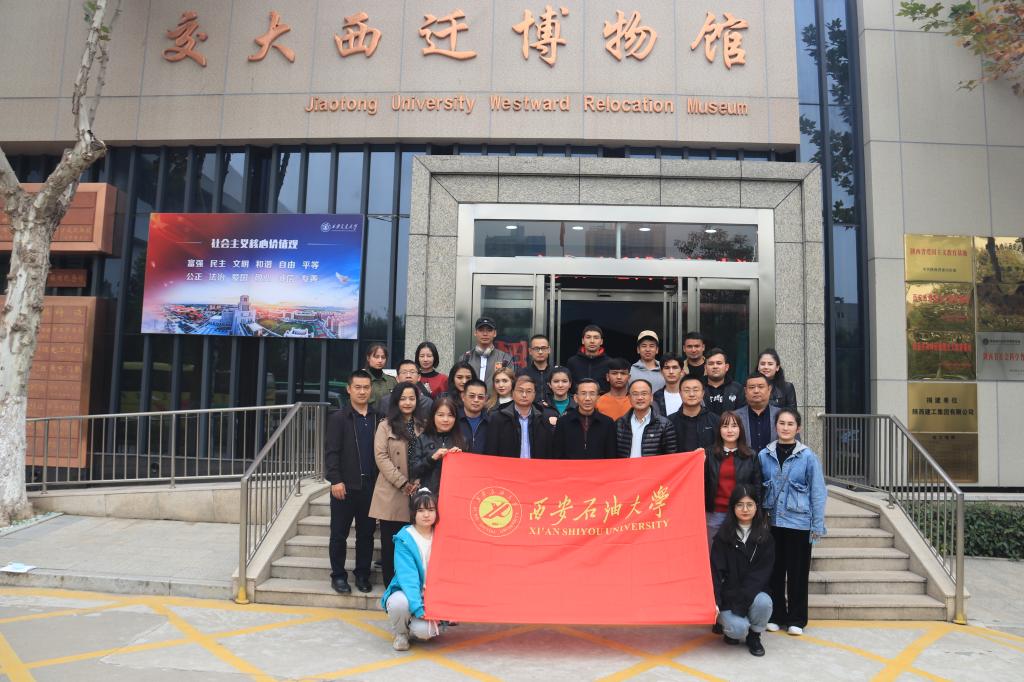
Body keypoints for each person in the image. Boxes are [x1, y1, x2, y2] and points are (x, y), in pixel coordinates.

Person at [758, 408, 827, 637]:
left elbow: (818, 492)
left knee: (798, 574)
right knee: (774, 572)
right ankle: (776, 615)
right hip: (773, 523)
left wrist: (817, 526)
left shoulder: (808, 457)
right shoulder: (764, 455)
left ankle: (797, 619)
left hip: (799, 524)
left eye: (790, 424)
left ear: (798, 428)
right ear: (775, 426)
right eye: (782, 423)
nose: (785, 427)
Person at [324, 370, 382, 595]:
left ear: (371, 390)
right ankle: (338, 576)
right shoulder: (339, 418)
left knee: (366, 535)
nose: (362, 391)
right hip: (344, 487)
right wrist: (335, 480)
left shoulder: (378, 418)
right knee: (339, 534)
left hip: (370, 487)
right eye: (357, 387)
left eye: (366, 387)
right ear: (349, 389)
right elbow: (331, 452)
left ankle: (362, 575)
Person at [369, 382, 424, 586]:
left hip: (417, 492)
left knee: (413, 546)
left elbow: (427, 454)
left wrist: (417, 481)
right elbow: (381, 457)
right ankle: (391, 588)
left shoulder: (423, 425)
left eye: (411, 398)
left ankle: (410, 586)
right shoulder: (385, 425)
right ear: (395, 401)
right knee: (390, 545)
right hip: (391, 492)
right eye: (403, 398)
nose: (407, 402)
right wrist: (402, 483)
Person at [710, 484, 775, 657]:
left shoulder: (765, 538)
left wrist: (741, 602)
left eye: (749, 504)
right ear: (733, 507)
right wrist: (715, 602)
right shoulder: (723, 537)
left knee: (764, 602)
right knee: (737, 629)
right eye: (740, 505)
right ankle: (729, 628)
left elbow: (761, 576)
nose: (745, 509)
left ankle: (754, 636)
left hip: (752, 594)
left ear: (756, 507)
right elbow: (715, 572)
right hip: (728, 597)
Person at [381, 488, 445, 651]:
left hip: (431, 594)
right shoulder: (405, 538)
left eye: (431, 510)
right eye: (421, 510)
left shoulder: (442, 535)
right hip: (406, 591)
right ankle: (401, 633)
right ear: (413, 513)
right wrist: (417, 607)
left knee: (425, 632)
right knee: (398, 603)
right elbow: (408, 577)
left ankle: (415, 623)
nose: (426, 515)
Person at [705, 411, 762, 546]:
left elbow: (757, 486)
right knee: (714, 552)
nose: (730, 430)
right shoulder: (709, 454)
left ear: (740, 429)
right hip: (715, 513)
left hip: (742, 512)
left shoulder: (751, 455)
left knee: (740, 552)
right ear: (719, 430)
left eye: (734, 426)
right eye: (725, 426)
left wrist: (757, 512)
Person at [484, 375, 553, 458]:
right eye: (520, 391)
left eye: (529, 391)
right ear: (512, 392)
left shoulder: (544, 418)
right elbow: (491, 450)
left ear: (534, 394)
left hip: (536, 465)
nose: (524, 395)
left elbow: (549, 451)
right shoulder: (498, 418)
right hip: (507, 465)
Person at [409, 396, 465, 497]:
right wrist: (431, 458)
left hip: (454, 495)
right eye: (440, 415)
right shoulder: (422, 439)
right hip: (428, 496)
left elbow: (469, 474)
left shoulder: (463, 440)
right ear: (433, 416)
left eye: (450, 415)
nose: (445, 419)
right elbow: (413, 470)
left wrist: (460, 459)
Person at [551, 378, 616, 460]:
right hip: (570, 467)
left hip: (599, 467)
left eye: (592, 394)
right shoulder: (563, 422)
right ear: (575, 398)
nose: (587, 398)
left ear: (598, 397)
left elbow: (611, 455)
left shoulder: (607, 423)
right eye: (583, 394)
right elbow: (557, 454)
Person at [614, 378, 678, 458]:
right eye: (635, 394)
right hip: (625, 466)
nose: (640, 397)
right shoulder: (619, 423)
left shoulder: (665, 425)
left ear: (651, 397)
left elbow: (671, 457)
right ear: (629, 398)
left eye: (644, 394)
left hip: (653, 466)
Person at [459, 316, 515, 388]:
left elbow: (509, 385)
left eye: (489, 330)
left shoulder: (505, 358)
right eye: (481, 330)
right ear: (475, 333)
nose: (485, 334)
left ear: (495, 333)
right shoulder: (465, 358)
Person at [667, 376, 716, 453]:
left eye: (695, 390)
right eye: (687, 390)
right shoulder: (669, 422)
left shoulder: (715, 420)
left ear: (703, 393)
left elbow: (719, 448)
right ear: (680, 393)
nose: (691, 394)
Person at [735, 373, 781, 454]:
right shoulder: (735, 416)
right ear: (745, 391)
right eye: (752, 387)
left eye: (761, 387)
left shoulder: (782, 415)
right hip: (744, 461)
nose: (756, 391)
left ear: (769, 389)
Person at [566, 325, 615, 393]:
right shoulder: (572, 362)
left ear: (601, 341)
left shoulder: (610, 363)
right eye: (588, 337)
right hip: (578, 399)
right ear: (583, 341)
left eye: (596, 337)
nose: (592, 341)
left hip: (602, 399)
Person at [704, 348, 745, 416]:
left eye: (719, 363)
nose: (715, 366)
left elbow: (742, 415)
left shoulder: (737, 389)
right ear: (705, 368)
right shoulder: (698, 388)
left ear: (726, 367)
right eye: (711, 364)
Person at [518, 334, 554, 404]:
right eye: (536, 349)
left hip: (552, 410)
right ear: (530, 351)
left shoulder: (555, 373)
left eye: (543, 348)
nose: (540, 352)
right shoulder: (522, 373)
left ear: (549, 350)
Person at [456, 379, 490, 453]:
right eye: (472, 396)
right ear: (463, 396)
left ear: (486, 399)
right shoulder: (453, 419)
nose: (476, 400)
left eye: (480, 397)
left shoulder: (491, 422)